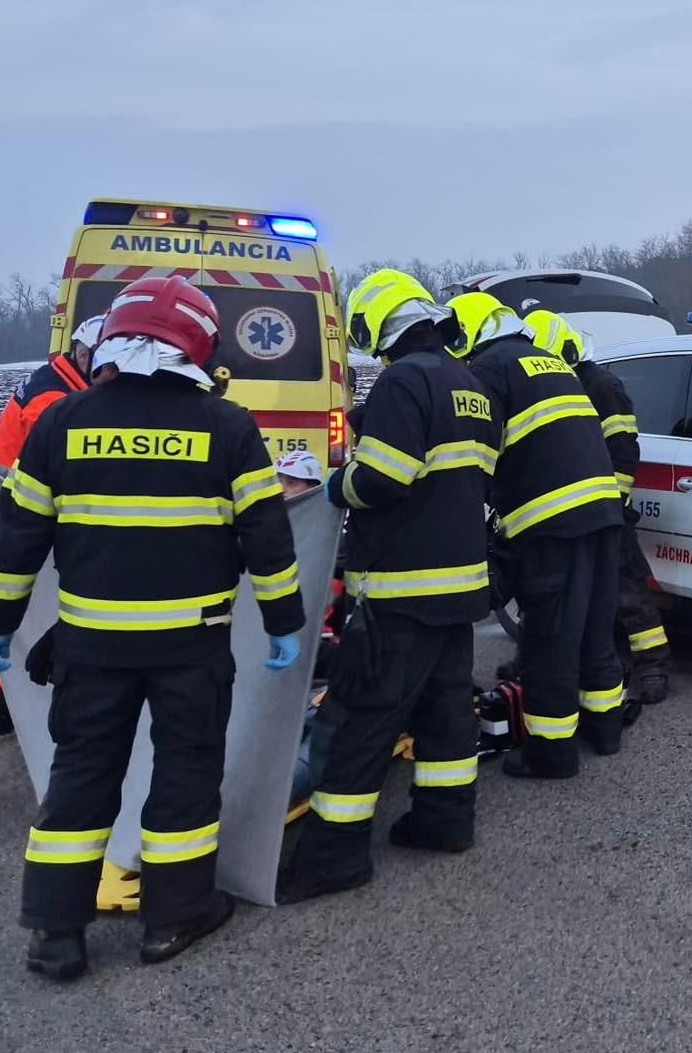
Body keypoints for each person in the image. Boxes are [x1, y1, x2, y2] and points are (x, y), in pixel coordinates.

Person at [0, 275, 306, 981]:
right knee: (185, 777)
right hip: (192, 647)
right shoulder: (227, 427)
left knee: (82, 776)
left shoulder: (65, 422)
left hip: (90, 648)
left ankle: (57, 933)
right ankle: (174, 915)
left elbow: (18, 541)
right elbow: (268, 543)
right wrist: (286, 625)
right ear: (197, 343)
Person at [277, 269, 494, 905]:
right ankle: (444, 823)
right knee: (445, 712)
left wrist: (330, 488)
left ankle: (334, 859)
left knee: (356, 721)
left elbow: (382, 480)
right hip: (460, 588)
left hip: (402, 589)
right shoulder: (470, 384)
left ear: (378, 326)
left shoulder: (404, 380)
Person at [449, 291, 625, 779]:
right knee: (594, 629)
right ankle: (605, 729)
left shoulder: (489, 371)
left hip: (552, 526)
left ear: (470, 332)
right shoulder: (549, 363)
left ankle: (552, 754)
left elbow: (476, 458)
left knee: (551, 641)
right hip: (602, 517)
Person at [524, 309, 670, 703]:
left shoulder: (600, 385)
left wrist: (615, 500)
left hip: (606, 506)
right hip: (573, 508)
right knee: (580, 590)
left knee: (626, 588)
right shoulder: (561, 385)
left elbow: (623, 448)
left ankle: (652, 666)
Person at [0, 315, 110, 738]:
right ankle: (7, 708)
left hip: (18, 490)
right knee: (34, 608)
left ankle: (6, 708)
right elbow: (61, 467)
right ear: (84, 353)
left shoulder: (62, 378)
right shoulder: (51, 400)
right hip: (16, 496)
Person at [0, 314, 107, 470]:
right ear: (84, 356)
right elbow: (56, 460)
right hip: (11, 479)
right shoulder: (52, 400)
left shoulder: (55, 374)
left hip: (9, 466)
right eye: (107, 361)